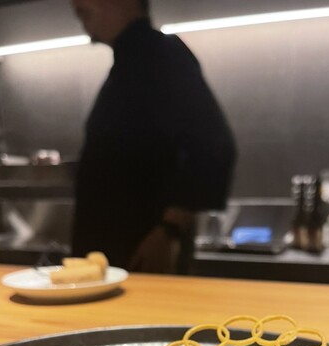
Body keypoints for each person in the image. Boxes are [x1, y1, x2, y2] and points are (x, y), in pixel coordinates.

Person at [70, 0, 237, 273]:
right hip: (117, 260)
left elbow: (213, 146)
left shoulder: (159, 54)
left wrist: (169, 231)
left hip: (139, 257)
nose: (74, 5)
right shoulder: (130, 64)